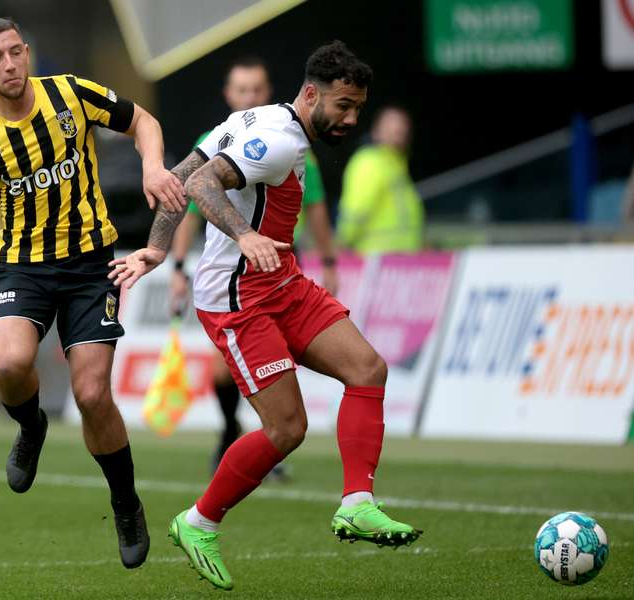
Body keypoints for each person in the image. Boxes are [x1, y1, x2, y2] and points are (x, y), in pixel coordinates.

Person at [109, 41, 421, 590]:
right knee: (287, 428)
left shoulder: (260, 121)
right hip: (238, 298)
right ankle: (199, 522)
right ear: (309, 94)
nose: (350, 119)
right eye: (342, 106)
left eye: (357, 109)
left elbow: (182, 171)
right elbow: (203, 183)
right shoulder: (277, 142)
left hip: (282, 281)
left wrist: (158, 248)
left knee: (368, 370)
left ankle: (357, 502)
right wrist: (245, 233)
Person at [0, 17, 185, 570]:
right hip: (22, 269)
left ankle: (125, 501)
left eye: (16, 52)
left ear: (26, 51)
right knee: (9, 363)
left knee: (90, 396)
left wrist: (152, 165)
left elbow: (143, 120)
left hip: (89, 266)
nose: (10, 64)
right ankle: (30, 424)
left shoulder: (71, 94)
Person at [168, 56, 338, 477]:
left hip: (282, 273)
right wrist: (176, 266)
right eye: (241, 90)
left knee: (274, 364)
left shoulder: (295, 144)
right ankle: (233, 432)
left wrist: (329, 260)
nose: (250, 97)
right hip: (232, 281)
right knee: (227, 368)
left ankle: (265, 440)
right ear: (229, 95)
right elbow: (190, 208)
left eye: (257, 90)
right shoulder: (215, 140)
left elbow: (316, 209)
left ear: (267, 92)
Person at [337, 106, 423, 254]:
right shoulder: (369, 162)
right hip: (375, 260)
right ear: (376, 132)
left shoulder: (396, 165)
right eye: (391, 124)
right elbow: (356, 211)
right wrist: (342, 244)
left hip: (400, 262)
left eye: (402, 124)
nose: (398, 128)